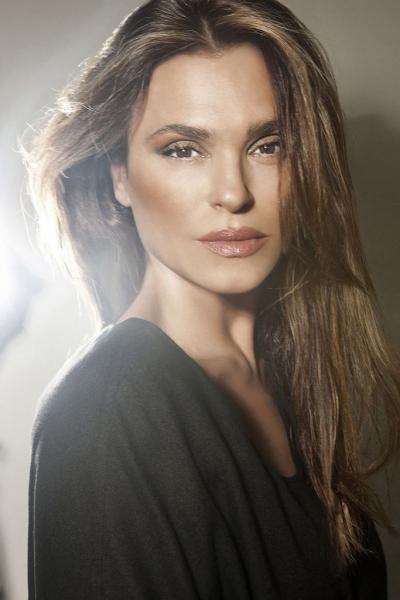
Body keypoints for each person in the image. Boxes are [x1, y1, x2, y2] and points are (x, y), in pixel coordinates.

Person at [24, 0, 400, 598]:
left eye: (268, 145)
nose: (233, 193)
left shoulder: (294, 381)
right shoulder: (108, 410)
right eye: (183, 148)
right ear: (120, 175)